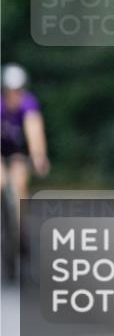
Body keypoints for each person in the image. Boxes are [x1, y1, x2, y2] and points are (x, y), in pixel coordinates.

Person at [1, 63, 50, 224]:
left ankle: (21, 228)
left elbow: (35, 131)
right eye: (11, 90)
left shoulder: (28, 104)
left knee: (19, 183)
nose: (15, 94)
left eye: (18, 90)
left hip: (17, 151)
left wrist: (39, 157)